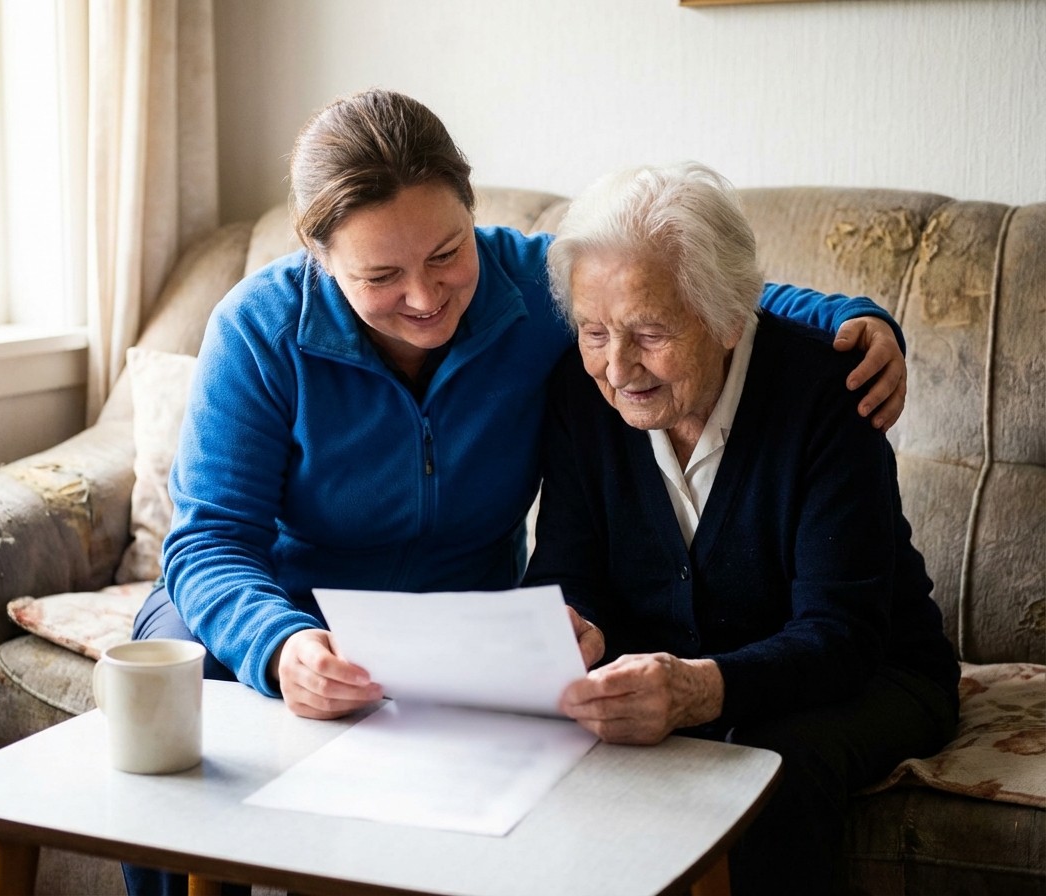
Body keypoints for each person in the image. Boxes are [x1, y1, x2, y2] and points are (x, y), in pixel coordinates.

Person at [125, 90, 908, 894]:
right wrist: (280, 645)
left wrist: (856, 318)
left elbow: (687, 291)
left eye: (445, 253)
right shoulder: (258, 330)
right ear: (320, 260)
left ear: (472, 212)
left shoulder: (531, 290)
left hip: (463, 614)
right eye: (382, 275)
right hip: (294, 606)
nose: (425, 297)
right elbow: (211, 541)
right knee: (174, 682)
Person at [522, 163, 960, 895]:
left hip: (867, 674)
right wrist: (578, 627)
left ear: (729, 317)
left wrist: (702, 689)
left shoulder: (830, 393)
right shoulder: (578, 389)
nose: (618, 367)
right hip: (673, 674)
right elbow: (567, 569)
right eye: (595, 332)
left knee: (769, 761)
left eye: (649, 332)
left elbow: (842, 634)